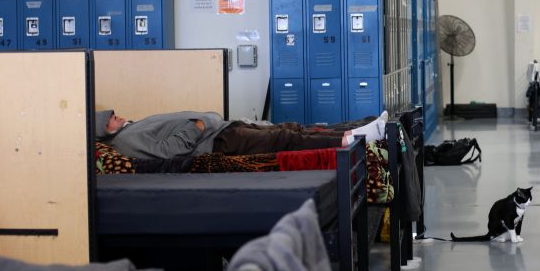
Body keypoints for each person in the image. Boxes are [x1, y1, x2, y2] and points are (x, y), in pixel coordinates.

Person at [94, 109, 387, 160]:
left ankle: (357, 129)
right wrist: (198, 125)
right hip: (218, 142)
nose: (116, 116)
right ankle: (353, 140)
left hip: (221, 128)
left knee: (290, 130)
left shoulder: (130, 128)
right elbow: (169, 150)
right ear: (102, 132)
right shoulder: (126, 141)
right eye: (110, 119)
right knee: (283, 140)